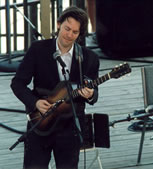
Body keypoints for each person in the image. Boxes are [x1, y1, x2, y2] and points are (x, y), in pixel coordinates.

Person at [11, 6, 100, 169]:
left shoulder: (89, 58)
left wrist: (90, 94)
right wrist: (35, 103)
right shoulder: (38, 50)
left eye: (75, 32)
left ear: (80, 34)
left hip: (70, 127)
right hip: (40, 122)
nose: (69, 35)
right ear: (58, 24)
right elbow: (17, 83)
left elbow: (94, 95)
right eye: (67, 29)